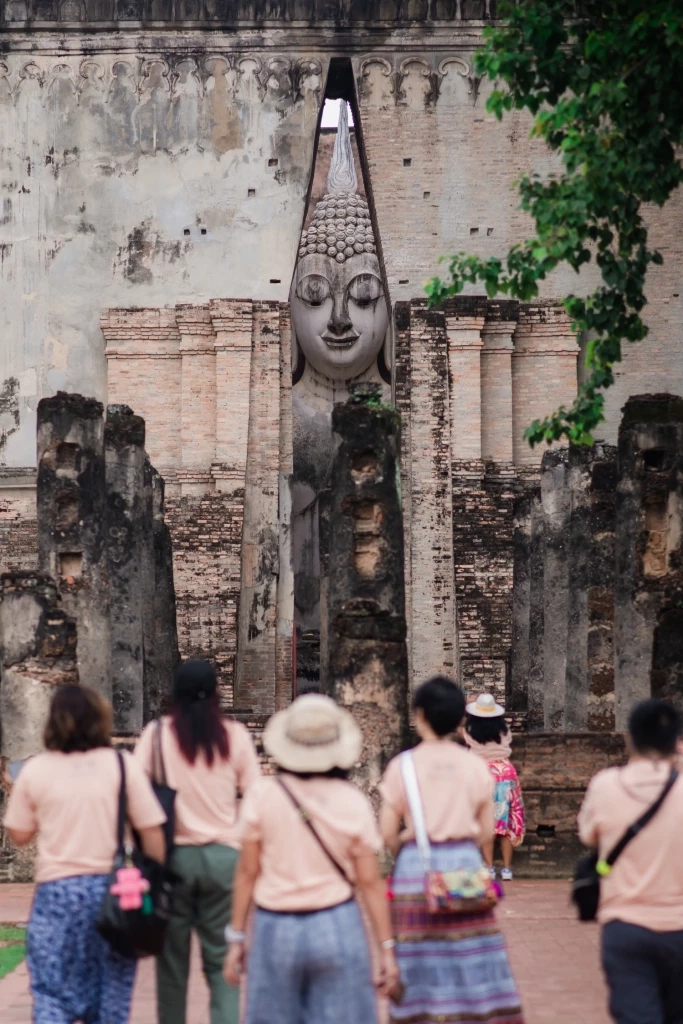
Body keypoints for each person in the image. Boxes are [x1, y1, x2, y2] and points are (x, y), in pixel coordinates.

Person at [223, 692, 400, 1023]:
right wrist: (386, 949)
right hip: (336, 923)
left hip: (275, 927)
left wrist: (236, 937)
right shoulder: (351, 801)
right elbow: (370, 882)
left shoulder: (262, 796)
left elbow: (247, 873)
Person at [4, 685, 166, 1024]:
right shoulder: (122, 766)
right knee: (111, 996)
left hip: (57, 893)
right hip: (113, 891)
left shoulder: (38, 770)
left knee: (51, 992)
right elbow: (152, 830)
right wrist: (155, 878)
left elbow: (19, 834)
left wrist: (22, 793)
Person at [379, 676, 524, 1024]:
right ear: (461, 720)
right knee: (468, 950)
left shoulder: (403, 765)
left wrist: (405, 848)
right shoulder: (475, 766)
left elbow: (386, 830)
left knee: (416, 954)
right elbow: (487, 831)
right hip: (463, 863)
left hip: (418, 865)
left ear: (420, 715)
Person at [135, 658, 260, 1024]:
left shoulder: (157, 734)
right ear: (216, 692)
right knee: (224, 960)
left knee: (170, 964)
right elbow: (255, 795)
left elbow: (135, 792)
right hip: (224, 858)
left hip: (173, 859)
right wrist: (236, 833)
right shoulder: (234, 735)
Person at [578, 698, 683, 1024]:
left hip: (626, 925)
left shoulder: (606, 784)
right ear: (676, 741)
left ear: (629, 738)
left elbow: (587, 836)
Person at [463, 692, 525, 880]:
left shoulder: (470, 729)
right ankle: (507, 869)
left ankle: (489, 867)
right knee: (507, 822)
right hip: (506, 771)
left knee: (485, 822)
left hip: (482, 773)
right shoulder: (504, 729)